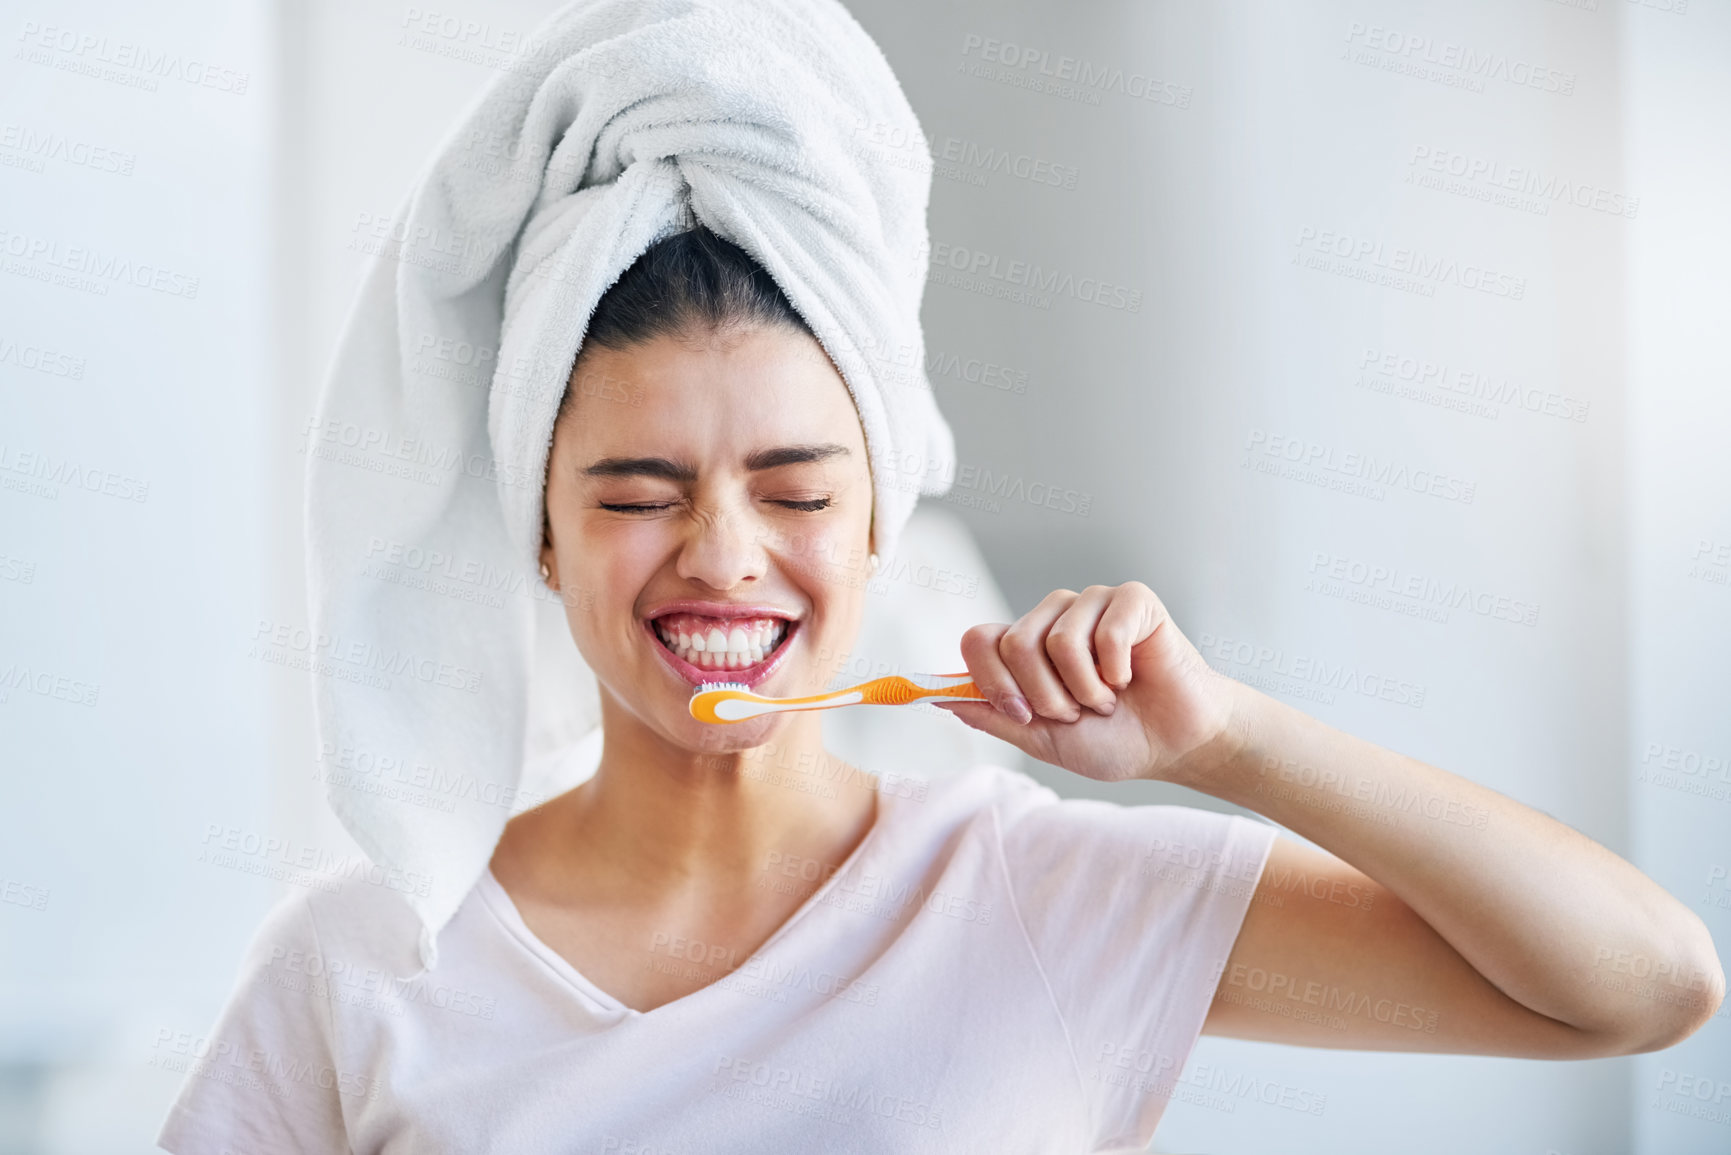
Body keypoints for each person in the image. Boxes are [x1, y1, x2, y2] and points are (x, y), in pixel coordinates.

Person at [157, 225, 1722, 1155]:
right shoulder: (364, 962)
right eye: (637, 490)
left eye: (796, 490)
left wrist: (1226, 740)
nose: (723, 555)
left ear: (881, 525)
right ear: (545, 541)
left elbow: (1638, 987)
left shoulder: (1036, 892)